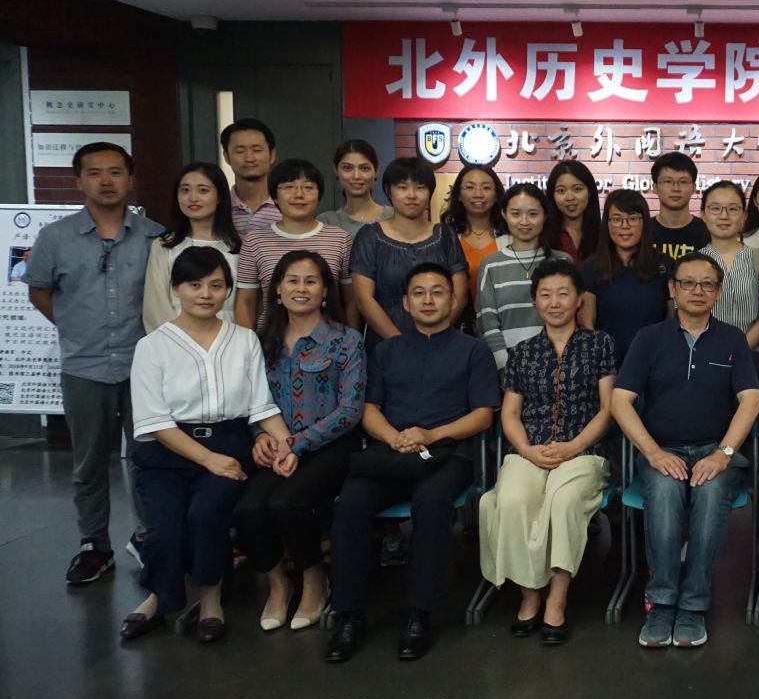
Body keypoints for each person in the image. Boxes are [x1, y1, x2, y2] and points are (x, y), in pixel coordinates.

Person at [326, 263, 499, 663]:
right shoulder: (386, 351)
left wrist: (430, 435)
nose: (428, 300)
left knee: (432, 502)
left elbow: (482, 416)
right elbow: (369, 409)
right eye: (419, 293)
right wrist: (394, 438)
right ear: (405, 303)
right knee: (350, 503)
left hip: (449, 453)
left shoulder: (473, 350)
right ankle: (349, 615)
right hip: (391, 452)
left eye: (437, 292)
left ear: (454, 300)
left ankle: (420, 614)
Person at [121, 247, 292, 642]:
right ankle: (159, 596)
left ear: (228, 290)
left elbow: (261, 406)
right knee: (164, 530)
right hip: (167, 452)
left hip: (229, 443)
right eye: (194, 285)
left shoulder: (244, 340)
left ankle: (211, 597)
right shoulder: (152, 346)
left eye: (216, 285)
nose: (205, 294)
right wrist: (208, 458)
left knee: (206, 515)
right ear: (175, 289)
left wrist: (289, 446)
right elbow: (154, 421)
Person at [25, 141, 164, 585]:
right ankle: (95, 545)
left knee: (148, 458)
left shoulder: (155, 237)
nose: (106, 181)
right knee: (88, 463)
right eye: (95, 172)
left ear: (131, 179)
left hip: (143, 367)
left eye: (115, 172)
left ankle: (149, 538)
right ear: (79, 181)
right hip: (83, 367)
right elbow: (39, 290)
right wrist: (75, 328)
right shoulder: (56, 237)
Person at [613, 255, 759, 649]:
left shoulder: (732, 339)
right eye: (688, 283)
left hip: (716, 452)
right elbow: (620, 401)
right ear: (672, 289)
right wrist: (653, 453)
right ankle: (662, 603)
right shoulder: (649, 338)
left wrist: (723, 454)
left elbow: (750, 400)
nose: (698, 291)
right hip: (663, 450)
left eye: (707, 284)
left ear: (719, 292)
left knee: (710, 493)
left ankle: (693, 604)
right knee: (663, 492)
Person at [478, 258, 616, 644]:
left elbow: (608, 409)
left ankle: (557, 598)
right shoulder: (522, 352)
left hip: (584, 449)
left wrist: (574, 446)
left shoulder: (600, 344)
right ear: (535, 301)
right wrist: (526, 450)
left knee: (563, 501)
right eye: (545, 295)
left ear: (578, 299)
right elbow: (510, 413)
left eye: (563, 294)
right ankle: (529, 593)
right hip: (530, 449)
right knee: (509, 500)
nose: (554, 303)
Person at [234, 250, 364, 631]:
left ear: (325, 291)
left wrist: (297, 444)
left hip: (331, 447)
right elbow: (250, 401)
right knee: (247, 509)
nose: (301, 288)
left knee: (287, 502)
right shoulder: (260, 343)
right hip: (276, 449)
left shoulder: (346, 340)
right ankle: (278, 583)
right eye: (292, 280)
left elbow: (350, 410)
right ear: (277, 289)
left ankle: (313, 578)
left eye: (311, 281)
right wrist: (259, 436)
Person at [350, 157, 469, 354]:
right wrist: (402, 345)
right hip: (386, 347)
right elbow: (364, 300)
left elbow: (460, 295)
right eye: (402, 187)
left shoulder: (445, 235)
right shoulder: (369, 236)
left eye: (420, 188)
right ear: (388, 191)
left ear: (430, 192)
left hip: (442, 347)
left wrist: (435, 337)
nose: (412, 195)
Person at [234, 159, 355, 330]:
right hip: (271, 338)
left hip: (329, 340)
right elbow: (246, 302)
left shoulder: (340, 238)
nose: (299, 194)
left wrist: (351, 338)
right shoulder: (255, 240)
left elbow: (351, 300)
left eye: (308, 187)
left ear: (319, 194)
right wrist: (247, 343)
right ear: (275, 196)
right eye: (289, 187)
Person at [477, 182, 569, 370]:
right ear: (504, 215)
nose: (524, 222)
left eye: (533, 214)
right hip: (508, 367)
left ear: (545, 215)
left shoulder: (562, 261)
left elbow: (572, 316)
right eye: (516, 214)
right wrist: (506, 368)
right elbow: (487, 322)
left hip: (560, 365)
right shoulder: (491, 265)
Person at [142, 161, 242, 332]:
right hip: (174, 337)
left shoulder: (239, 246)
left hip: (229, 334)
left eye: (203, 190)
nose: (192, 198)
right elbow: (155, 305)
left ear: (219, 196)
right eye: (185, 190)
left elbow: (247, 302)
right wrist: (179, 341)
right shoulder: (164, 245)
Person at [578, 189, 670, 361]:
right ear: (607, 223)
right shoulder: (591, 268)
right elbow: (587, 324)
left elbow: (672, 318)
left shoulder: (664, 265)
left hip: (656, 361)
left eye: (633, 219)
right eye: (617, 219)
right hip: (606, 363)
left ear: (644, 222)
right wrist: (602, 362)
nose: (625, 226)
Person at [698, 181, 759, 349]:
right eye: (715, 209)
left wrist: (739, 351)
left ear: (744, 215)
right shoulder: (692, 262)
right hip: (703, 354)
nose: (724, 216)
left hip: (751, 355)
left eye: (732, 209)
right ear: (703, 215)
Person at [442, 162, 509, 302]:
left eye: (486, 187)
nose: (478, 194)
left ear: (496, 195)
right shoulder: (446, 237)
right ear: (459, 195)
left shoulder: (511, 237)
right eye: (470, 187)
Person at [318, 138, 393, 237]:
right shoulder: (327, 222)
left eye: (364, 168)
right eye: (347, 168)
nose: (356, 176)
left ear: (376, 171)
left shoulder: (395, 216)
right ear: (336, 170)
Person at [645, 151, 711, 260]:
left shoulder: (708, 232)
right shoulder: (642, 231)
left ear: (693, 188)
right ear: (655, 187)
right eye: (668, 181)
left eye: (683, 182)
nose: (675, 188)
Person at [222, 118, 282, 233]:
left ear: (272, 155)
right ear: (226, 157)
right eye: (240, 151)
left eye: (257, 150)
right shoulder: (217, 208)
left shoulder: (288, 206)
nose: (249, 158)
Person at [548, 159, 602, 265]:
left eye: (577, 189)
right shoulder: (543, 236)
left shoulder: (604, 235)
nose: (570, 197)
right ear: (552, 195)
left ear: (589, 192)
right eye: (561, 191)